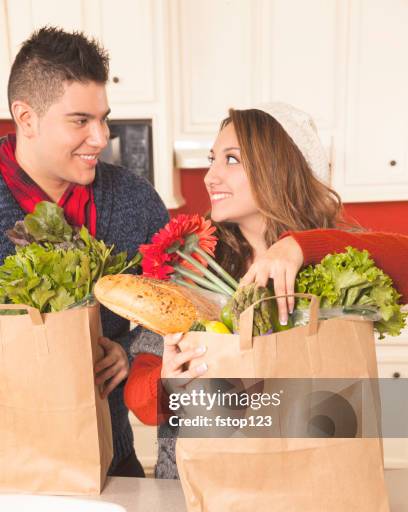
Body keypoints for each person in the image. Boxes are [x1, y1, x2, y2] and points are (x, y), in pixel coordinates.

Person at [124, 103, 408, 478]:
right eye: (213, 159)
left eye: (231, 160)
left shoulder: (332, 257)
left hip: (306, 485)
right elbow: (140, 395)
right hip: (196, 491)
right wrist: (165, 385)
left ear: (280, 167)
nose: (210, 176)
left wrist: (300, 246)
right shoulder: (194, 263)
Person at [0, 27, 169, 477]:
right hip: (11, 476)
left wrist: (132, 349)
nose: (101, 138)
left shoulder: (134, 199)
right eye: (80, 121)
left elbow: (179, 301)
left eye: (103, 118)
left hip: (113, 460)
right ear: (27, 117)